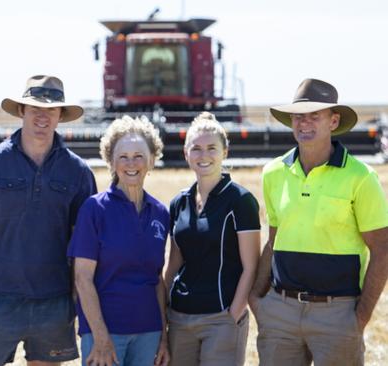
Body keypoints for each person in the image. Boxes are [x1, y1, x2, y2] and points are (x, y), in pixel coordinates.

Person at [0, 75, 97, 365]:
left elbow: (83, 246)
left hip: (54, 303)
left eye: (51, 110)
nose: (42, 117)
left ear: (61, 115)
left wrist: (70, 302)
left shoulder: (78, 172)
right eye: (35, 109)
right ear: (21, 111)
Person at [249, 78, 388, 365]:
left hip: (337, 315)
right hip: (280, 314)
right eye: (299, 116)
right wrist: (256, 299)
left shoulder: (361, 177)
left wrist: (359, 318)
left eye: (315, 116)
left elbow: (383, 250)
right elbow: (274, 241)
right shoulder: (273, 173)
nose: (305, 123)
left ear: (333, 121)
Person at [68, 116, 170, 366]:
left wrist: (164, 337)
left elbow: (157, 279)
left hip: (149, 332)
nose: (131, 163)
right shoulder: (94, 209)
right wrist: (101, 337)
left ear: (152, 160)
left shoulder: (160, 212)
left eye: (139, 155)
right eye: (123, 156)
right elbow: (82, 278)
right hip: (105, 333)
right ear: (111, 161)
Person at [164, 112, 260, 366]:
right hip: (180, 318)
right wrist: (163, 308)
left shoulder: (240, 201)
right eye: (196, 148)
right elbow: (173, 264)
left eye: (211, 148)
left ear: (224, 152)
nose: (203, 155)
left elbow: (251, 266)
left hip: (221, 318)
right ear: (186, 154)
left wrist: (234, 312)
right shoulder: (179, 202)